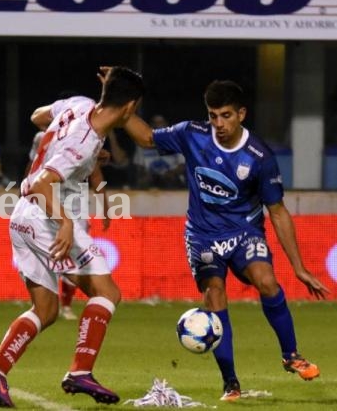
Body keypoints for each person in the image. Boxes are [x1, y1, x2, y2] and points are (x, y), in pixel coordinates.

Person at [123, 78, 329, 401]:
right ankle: (230, 382)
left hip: (244, 231)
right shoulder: (193, 134)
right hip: (203, 236)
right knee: (215, 294)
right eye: (213, 115)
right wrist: (119, 109)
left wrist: (300, 268)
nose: (218, 123)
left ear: (241, 114)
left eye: (226, 115)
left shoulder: (259, 157)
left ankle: (291, 355)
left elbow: (277, 212)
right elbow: (148, 138)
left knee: (267, 281)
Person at [0, 67, 144, 407]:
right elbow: (41, 184)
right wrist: (66, 223)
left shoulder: (77, 105)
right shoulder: (82, 144)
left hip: (22, 218)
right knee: (106, 291)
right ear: (129, 108)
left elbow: (38, 116)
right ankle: (80, 372)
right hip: (45, 218)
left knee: (47, 308)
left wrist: (64, 146)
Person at [29, 94, 112, 321]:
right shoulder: (86, 134)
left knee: (56, 258)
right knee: (105, 289)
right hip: (68, 205)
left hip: (39, 202)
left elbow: (36, 117)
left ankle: (53, 303)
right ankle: (61, 304)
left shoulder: (46, 135)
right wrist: (104, 206)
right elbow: (96, 176)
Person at [134, 114, 186, 189]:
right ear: (150, 126)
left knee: (171, 180)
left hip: (171, 178)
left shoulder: (176, 143)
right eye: (154, 123)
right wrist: (145, 174)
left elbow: (183, 165)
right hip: (150, 179)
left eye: (161, 122)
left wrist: (172, 173)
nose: (157, 125)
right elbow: (138, 167)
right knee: (142, 181)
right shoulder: (141, 144)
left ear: (166, 125)